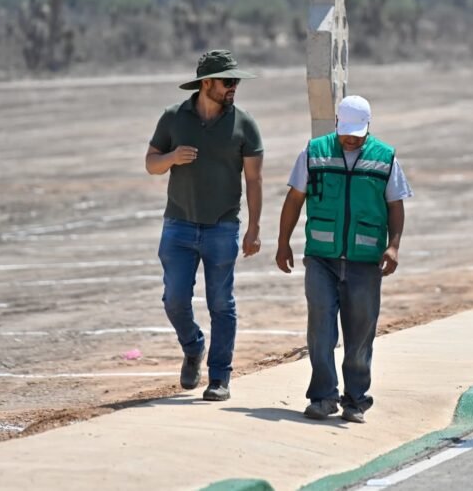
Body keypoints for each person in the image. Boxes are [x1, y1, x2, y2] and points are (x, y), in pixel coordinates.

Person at [276, 95, 412, 424]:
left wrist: (393, 246)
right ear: (337, 124)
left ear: (369, 129)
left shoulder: (385, 158)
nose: (351, 139)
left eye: (358, 133)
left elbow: (395, 205)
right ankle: (323, 397)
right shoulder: (314, 152)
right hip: (320, 259)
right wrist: (283, 243)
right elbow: (295, 199)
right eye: (346, 131)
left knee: (360, 334)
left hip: (365, 261)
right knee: (320, 330)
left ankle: (355, 400)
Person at [145, 49, 264, 402]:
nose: (234, 87)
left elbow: (254, 180)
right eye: (228, 81)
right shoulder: (172, 118)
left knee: (221, 304)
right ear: (206, 83)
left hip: (222, 228)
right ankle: (193, 346)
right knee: (175, 299)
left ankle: (219, 377)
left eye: (236, 81)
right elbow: (151, 163)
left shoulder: (244, 124)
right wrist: (171, 158)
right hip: (178, 226)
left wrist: (254, 227)